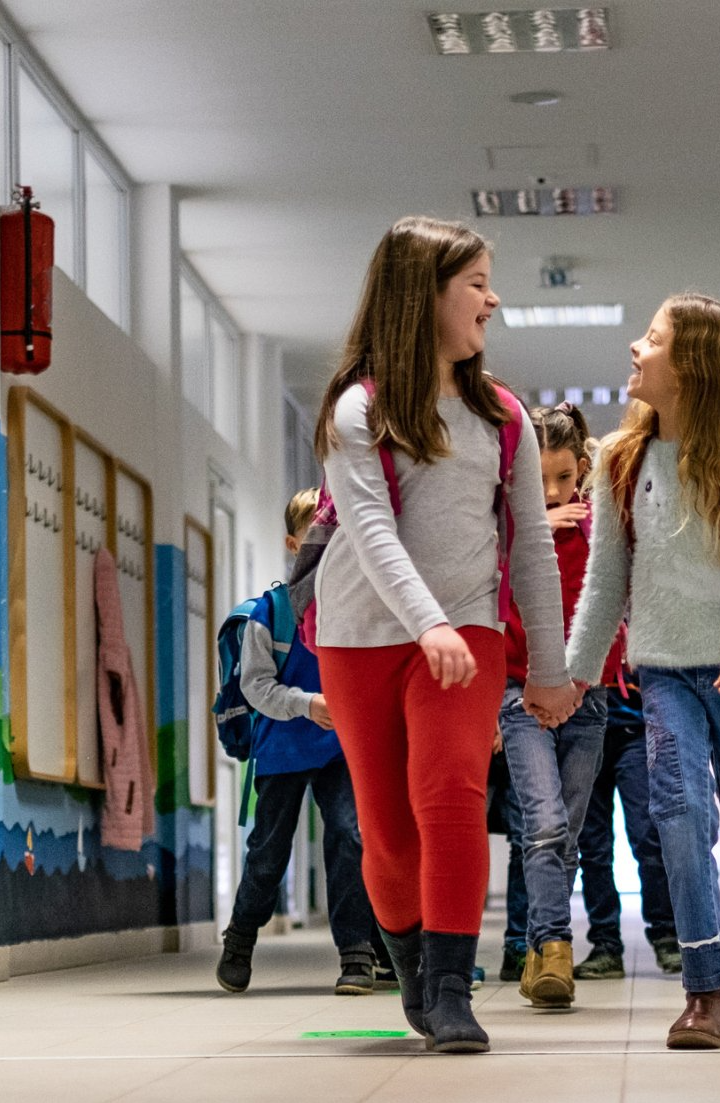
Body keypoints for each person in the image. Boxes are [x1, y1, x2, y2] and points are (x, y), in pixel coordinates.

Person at [311, 216, 578, 1054]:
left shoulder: (502, 418)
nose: (493, 299)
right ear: (424, 294)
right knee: (386, 833)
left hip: (467, 634)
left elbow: (532, 543)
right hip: (361, 636)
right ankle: (413, 967)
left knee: (451, 794)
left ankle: (455, 990)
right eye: (476, 284)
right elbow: (369, 527)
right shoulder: (358, 411)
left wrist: (551, 664)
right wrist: (421, 622)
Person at [566, 292, 720, 1050]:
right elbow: (606, 582)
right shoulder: (620, 459)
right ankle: (704, 987)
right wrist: (572, 676)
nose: (636, 348)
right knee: (677, 814)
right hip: (664, 671)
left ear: (695, 367)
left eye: (653, 338)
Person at [217, 489, 384, 997]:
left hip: (341, 747)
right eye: (317, 531)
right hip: (283, 745)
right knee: (269, 853)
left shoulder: (360, 606)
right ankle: (240, 939)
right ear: (294, 544)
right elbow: (256, 687)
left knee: (349, 837)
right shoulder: (270, 613)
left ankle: (357, 954)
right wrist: (308, 703)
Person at [498, 403, 621, 1009]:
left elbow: (610, 616)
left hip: (588, 698)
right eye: (537, 479)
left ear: (583, 471)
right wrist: (533, 534)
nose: (552, 493)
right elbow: (488, 609)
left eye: (564, 479)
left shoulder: (601, 529)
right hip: (519, 693)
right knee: (541, 824)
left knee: (565, 837)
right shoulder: (503, 530)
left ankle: (533, 952)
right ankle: (553, 948)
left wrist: (582, 683)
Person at [573, 666, 682, 980]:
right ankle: (605, 944)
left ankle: (665, 935)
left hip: (635, 728)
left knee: (648, 835)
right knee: (592, 845)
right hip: (581, 725)